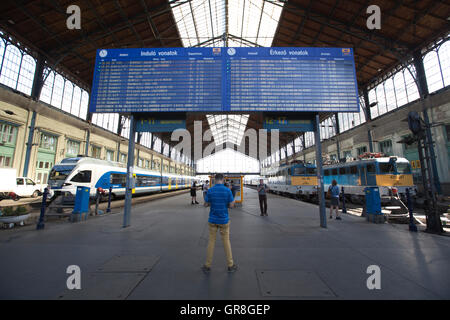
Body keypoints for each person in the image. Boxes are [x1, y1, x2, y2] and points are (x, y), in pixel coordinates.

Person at [202, 173, 237, 274]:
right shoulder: (227, 190)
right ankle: (230, 265)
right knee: (226, 241)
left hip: (212, 220)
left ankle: (207, 266)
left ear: (215, 180)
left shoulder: (210, 190)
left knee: (211, 242)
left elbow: (205, 204)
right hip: (224, 220)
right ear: (223, 179)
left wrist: (209, 201)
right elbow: (231, 205)